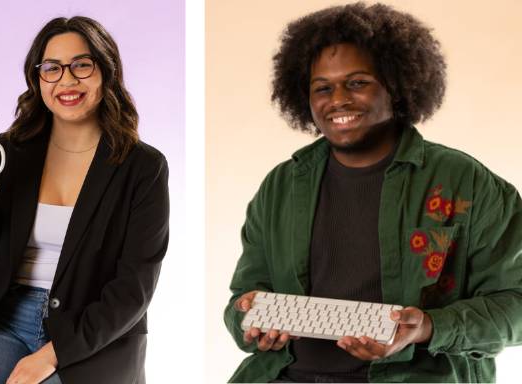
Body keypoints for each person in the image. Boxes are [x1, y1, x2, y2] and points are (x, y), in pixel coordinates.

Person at [223, 3, 522, 382]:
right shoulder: (281, 185)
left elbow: (516, 304)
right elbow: (244, 297)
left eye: (357, 83)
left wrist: (428, 327)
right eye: (322, 88)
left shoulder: (466, 183)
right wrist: (248, 318)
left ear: (396, 87)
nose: (338, 99)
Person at [0, 16, 170, 384]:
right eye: (52, 68)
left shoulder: (143, 167)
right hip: (8, 321)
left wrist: (52, 354)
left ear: (106, 72)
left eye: (81, 65)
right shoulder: (7, 152)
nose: (67, 80)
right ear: (38, 79)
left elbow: (133, 291)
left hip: (92, 333)